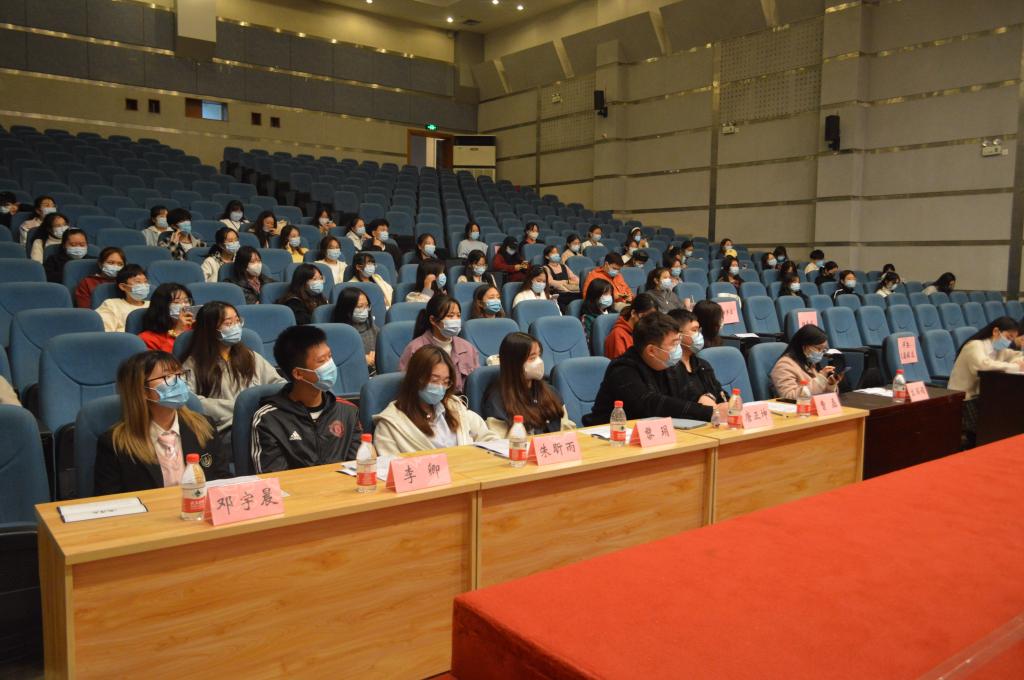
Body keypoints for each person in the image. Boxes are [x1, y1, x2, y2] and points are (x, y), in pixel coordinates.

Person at [94, 351, 227, 495]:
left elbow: (224, 483)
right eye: (167, 377)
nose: (178, 382)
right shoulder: (115, 444)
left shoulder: (205, 426)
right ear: (142, 390)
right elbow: (110, 501)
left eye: (180, 375)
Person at [251, 325, 362, 472]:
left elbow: (358, 469)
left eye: (330, 356)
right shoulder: (269, 420)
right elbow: (274, 479)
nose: (330, 365)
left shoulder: (348, 412)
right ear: (298, 374)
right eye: (321, 361)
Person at [585, 311, 728, 425]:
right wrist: (709, 412)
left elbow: (690, 395)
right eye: (674, 344)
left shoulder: (671, 365)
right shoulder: (622, 369)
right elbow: (650, 404)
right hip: (611, 437)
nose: (678, 348)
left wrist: (707, 400)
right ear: (652, 350)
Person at [182, 302, 285, 438]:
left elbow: (278, 384)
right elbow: (190, 401)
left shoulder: (250, 356)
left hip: (260, 423)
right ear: (211, 329)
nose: (236, 327)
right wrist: (240, 407)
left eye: (237, 321)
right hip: (223, 429)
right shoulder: (193, 364)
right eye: (228, 323)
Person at [373, 345, 498, 456]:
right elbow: (388, 466)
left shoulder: (455, 407)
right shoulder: (391, 423)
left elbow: (489, 440)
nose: (440, 387)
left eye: (445, 382)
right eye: (434, 380)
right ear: (416, 378)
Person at [483, 332, 574, 436]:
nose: (539, 362)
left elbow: (567, 429)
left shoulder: (550, 392)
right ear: (515, 363)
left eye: (539, 355)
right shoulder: (497, 400)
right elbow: (499, 441)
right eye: (532, 358)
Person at [949, 317, 1023, 444]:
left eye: (1012, 339)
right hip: (965, 398)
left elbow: (1017, 355)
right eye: (1008, 337)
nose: (1009, 342)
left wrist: (1019, 361)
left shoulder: (998, 349)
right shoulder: (974, 345)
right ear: (996, 331)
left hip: (983, 396)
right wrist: (1015, 366)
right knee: (996, 418)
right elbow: (983, 365)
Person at [399, 295, 479, 392]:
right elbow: (407, 386)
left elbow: (476, 385)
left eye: (458, 316)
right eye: (450, 316)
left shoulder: (468, 348)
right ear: (433, 320)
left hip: (460, 400)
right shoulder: (415, 348)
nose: (456, 320)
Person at [770, 324, 842, 399]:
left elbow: (820, 394)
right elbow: (788, 396)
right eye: (818, 348)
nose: (821, 352)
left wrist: (830, 384)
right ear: (804, 347)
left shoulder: (809, 363)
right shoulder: (784, 365)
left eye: (824, 349)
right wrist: (821, 379)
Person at [331, 287, 378, 374]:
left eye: (367, 306)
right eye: (360, 306)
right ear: (347, 309)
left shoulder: (371, 325)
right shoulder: (339, 333)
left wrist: (379, 355)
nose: (365, 310)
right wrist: (361, 361)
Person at [138, 283, 194, 353]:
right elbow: (167, 359)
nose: (184, 306)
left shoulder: (192, 328)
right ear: (161, 307)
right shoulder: (146, 338)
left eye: (186, 301)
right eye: (176, 302)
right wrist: (178, 332)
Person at [97, 264, 150, 332]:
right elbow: (105, 333)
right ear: (123, 286)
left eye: (145, 282)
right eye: (138, 282)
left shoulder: (153, 305)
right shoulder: (111, 305)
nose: (143, 286)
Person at [605, 293, 658, 359]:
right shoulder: (618, 335)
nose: (647, 322)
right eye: (644, 317)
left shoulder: (645, 332)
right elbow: (620, 364)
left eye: (651, 319)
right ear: (633, 313)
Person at [581, 277, 613, 344]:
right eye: (605, 294)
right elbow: (588, 342)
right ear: (595, 295)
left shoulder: (614, 313)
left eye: (610, 294)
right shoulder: (587, 318)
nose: (609, 297)